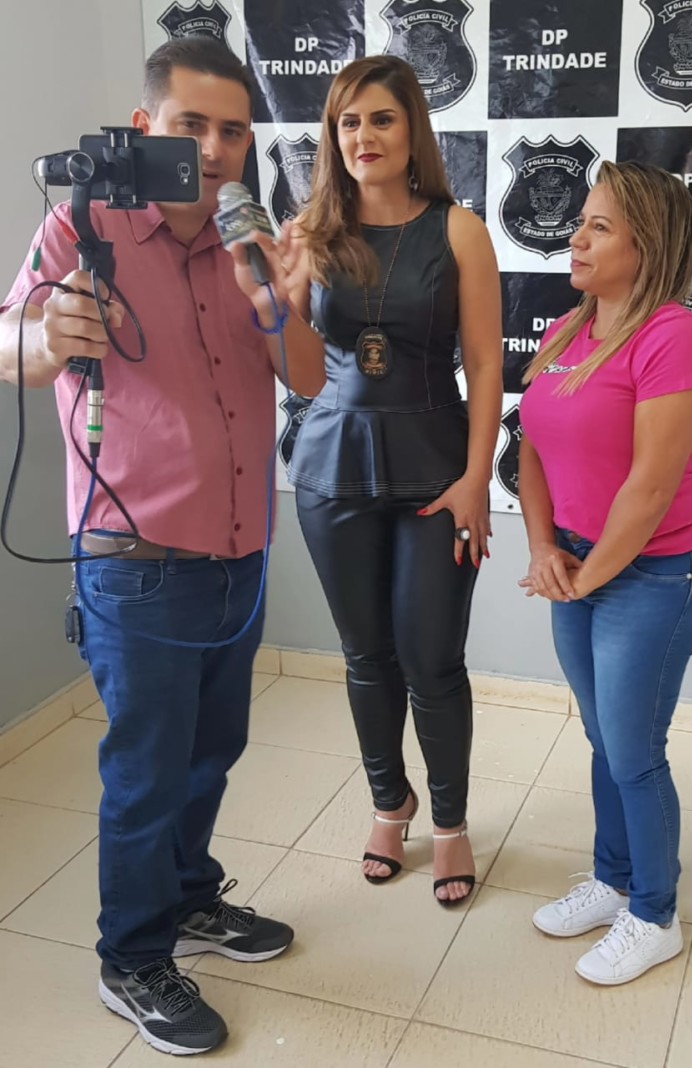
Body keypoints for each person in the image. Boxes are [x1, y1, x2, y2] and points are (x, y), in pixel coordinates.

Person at [0, 37, 324, 1056]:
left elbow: (307, 378)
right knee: (146, 771)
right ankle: (131, 958)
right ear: (146, 127)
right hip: (134, 560)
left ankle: (186, 897)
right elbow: (9, 345)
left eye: (233, 130)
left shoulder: (249, 237)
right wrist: (49, 336)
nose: (216, 150)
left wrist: (281, 300)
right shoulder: (82, 226)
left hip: (239, 551)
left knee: (209, 752)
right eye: (193, 127)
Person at [233, 55, 502, 907]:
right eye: (347, 122)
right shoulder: (309, 233)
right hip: (332, 470)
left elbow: (485, 366)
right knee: (364, 658)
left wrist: (475, 480)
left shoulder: (458, 231)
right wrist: (274, 306)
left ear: (411, 129)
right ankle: (390, 804)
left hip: (437, 472)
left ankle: (450, 822)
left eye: (380, 118)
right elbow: (303, 375)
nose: (363, 136)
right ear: (332, 137)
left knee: (433, 660)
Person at [517, 160, 692, 985]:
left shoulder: (675, 336)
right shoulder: (566, 329)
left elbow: (646, 492)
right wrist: (544, 550)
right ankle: (612, 879)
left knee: (634, 750)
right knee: (603, 736)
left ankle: (653, 913)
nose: (574, 237)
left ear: (649, 246)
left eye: (598, 226)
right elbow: (530, 447)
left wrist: (583, 576)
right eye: (580, 220)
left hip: (659, 573)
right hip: (579, 560)